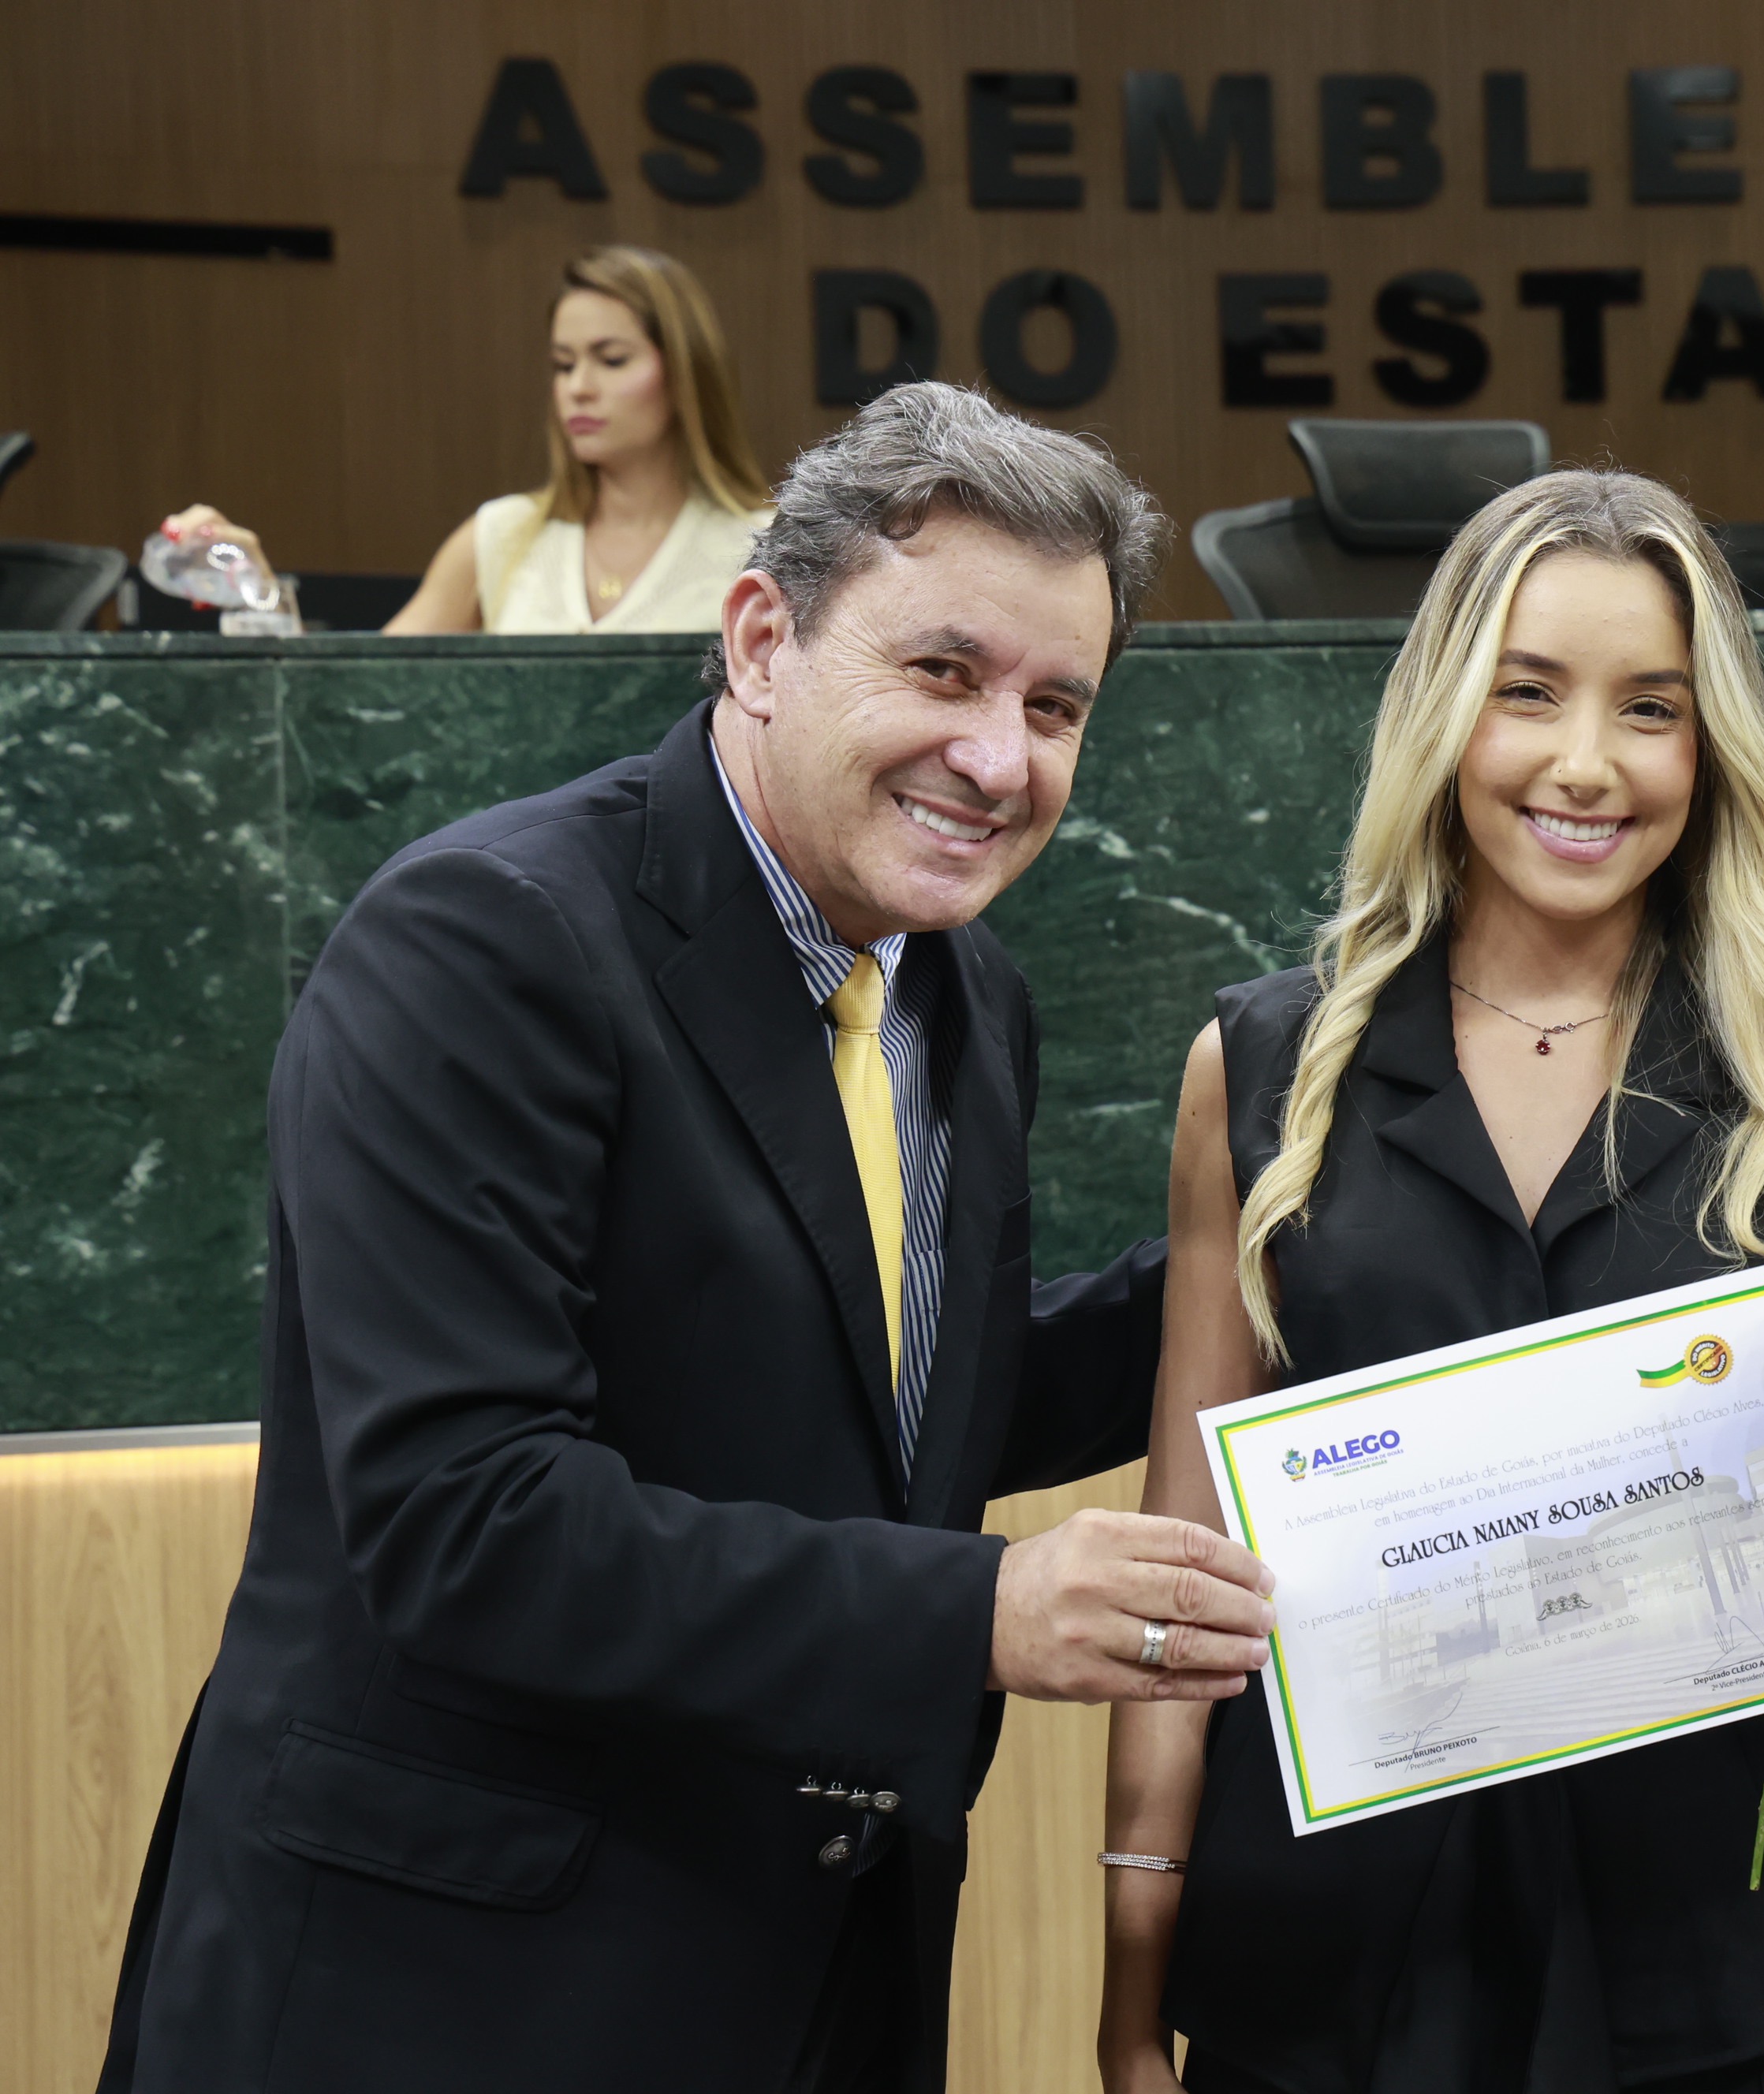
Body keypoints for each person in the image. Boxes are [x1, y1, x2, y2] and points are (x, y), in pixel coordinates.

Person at [97, 382, 1279, 2094]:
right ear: (760, 641)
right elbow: (467, 1519)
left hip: (808, 1981)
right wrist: (983, 1607)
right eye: (942, 671)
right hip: (445, 2001)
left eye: (1055, 705)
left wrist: (1279, 1268)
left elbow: (897, 1409)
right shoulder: (483, 941)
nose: (1000, 757)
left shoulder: (964, 993)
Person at [1099, 471, 1764, 2094]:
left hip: (1737, 1953)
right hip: (1348, 1974)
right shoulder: (1265, 1070)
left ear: (1709, 749)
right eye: (1528, 692)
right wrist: (1132, 1985)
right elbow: (1181, 1578)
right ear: (1443, 715)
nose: (1585, 762)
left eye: (1651, 708)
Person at [159, 244, 770, 633]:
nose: (578, 388)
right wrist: (261, 598)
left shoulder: (765, 545)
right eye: (562, 365)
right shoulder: (502, 536)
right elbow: (355, 699)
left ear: (686, 374)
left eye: (611, 360)